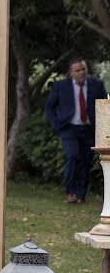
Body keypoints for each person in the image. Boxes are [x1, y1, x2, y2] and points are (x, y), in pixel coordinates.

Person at [45, 58, 108, 203]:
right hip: (69, 128)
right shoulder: (61, 86)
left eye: (83, 69)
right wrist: (56, 124)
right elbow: (49, 107)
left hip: (89, 129)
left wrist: (103, 128)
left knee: (86, 162)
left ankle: (80, 195)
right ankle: (70, 192)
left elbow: (104, 106)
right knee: (72, 156)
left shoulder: (96, 85)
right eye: (77, 70)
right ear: (71, 72)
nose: (81, 72)